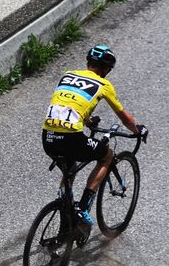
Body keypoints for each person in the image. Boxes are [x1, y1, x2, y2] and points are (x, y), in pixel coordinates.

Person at [41, 45, 147, 225]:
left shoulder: (67, 75)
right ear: (105, 68)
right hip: (71, 138)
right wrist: (137, 130)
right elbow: (123, 117)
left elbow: (70, 102)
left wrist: (88, 122)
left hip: (48, 136)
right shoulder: (104, 84)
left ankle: (64, 208)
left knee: (69, 166)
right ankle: (82, 208)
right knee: (107, 155)